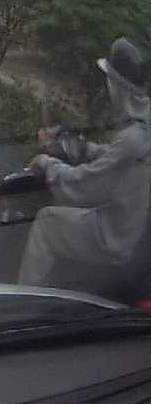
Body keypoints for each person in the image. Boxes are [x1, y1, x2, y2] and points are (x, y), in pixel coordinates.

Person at [19, 38, 151, 299]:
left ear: (120, 86)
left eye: (110, 80)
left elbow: (85, 186)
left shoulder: (132, 138)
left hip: (115, 236)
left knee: (46, 222)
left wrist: (48, 164)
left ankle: (24, 301)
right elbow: (117, 162)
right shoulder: (142, 129)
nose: (107, 86)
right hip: (134, 230)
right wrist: (87, 149)